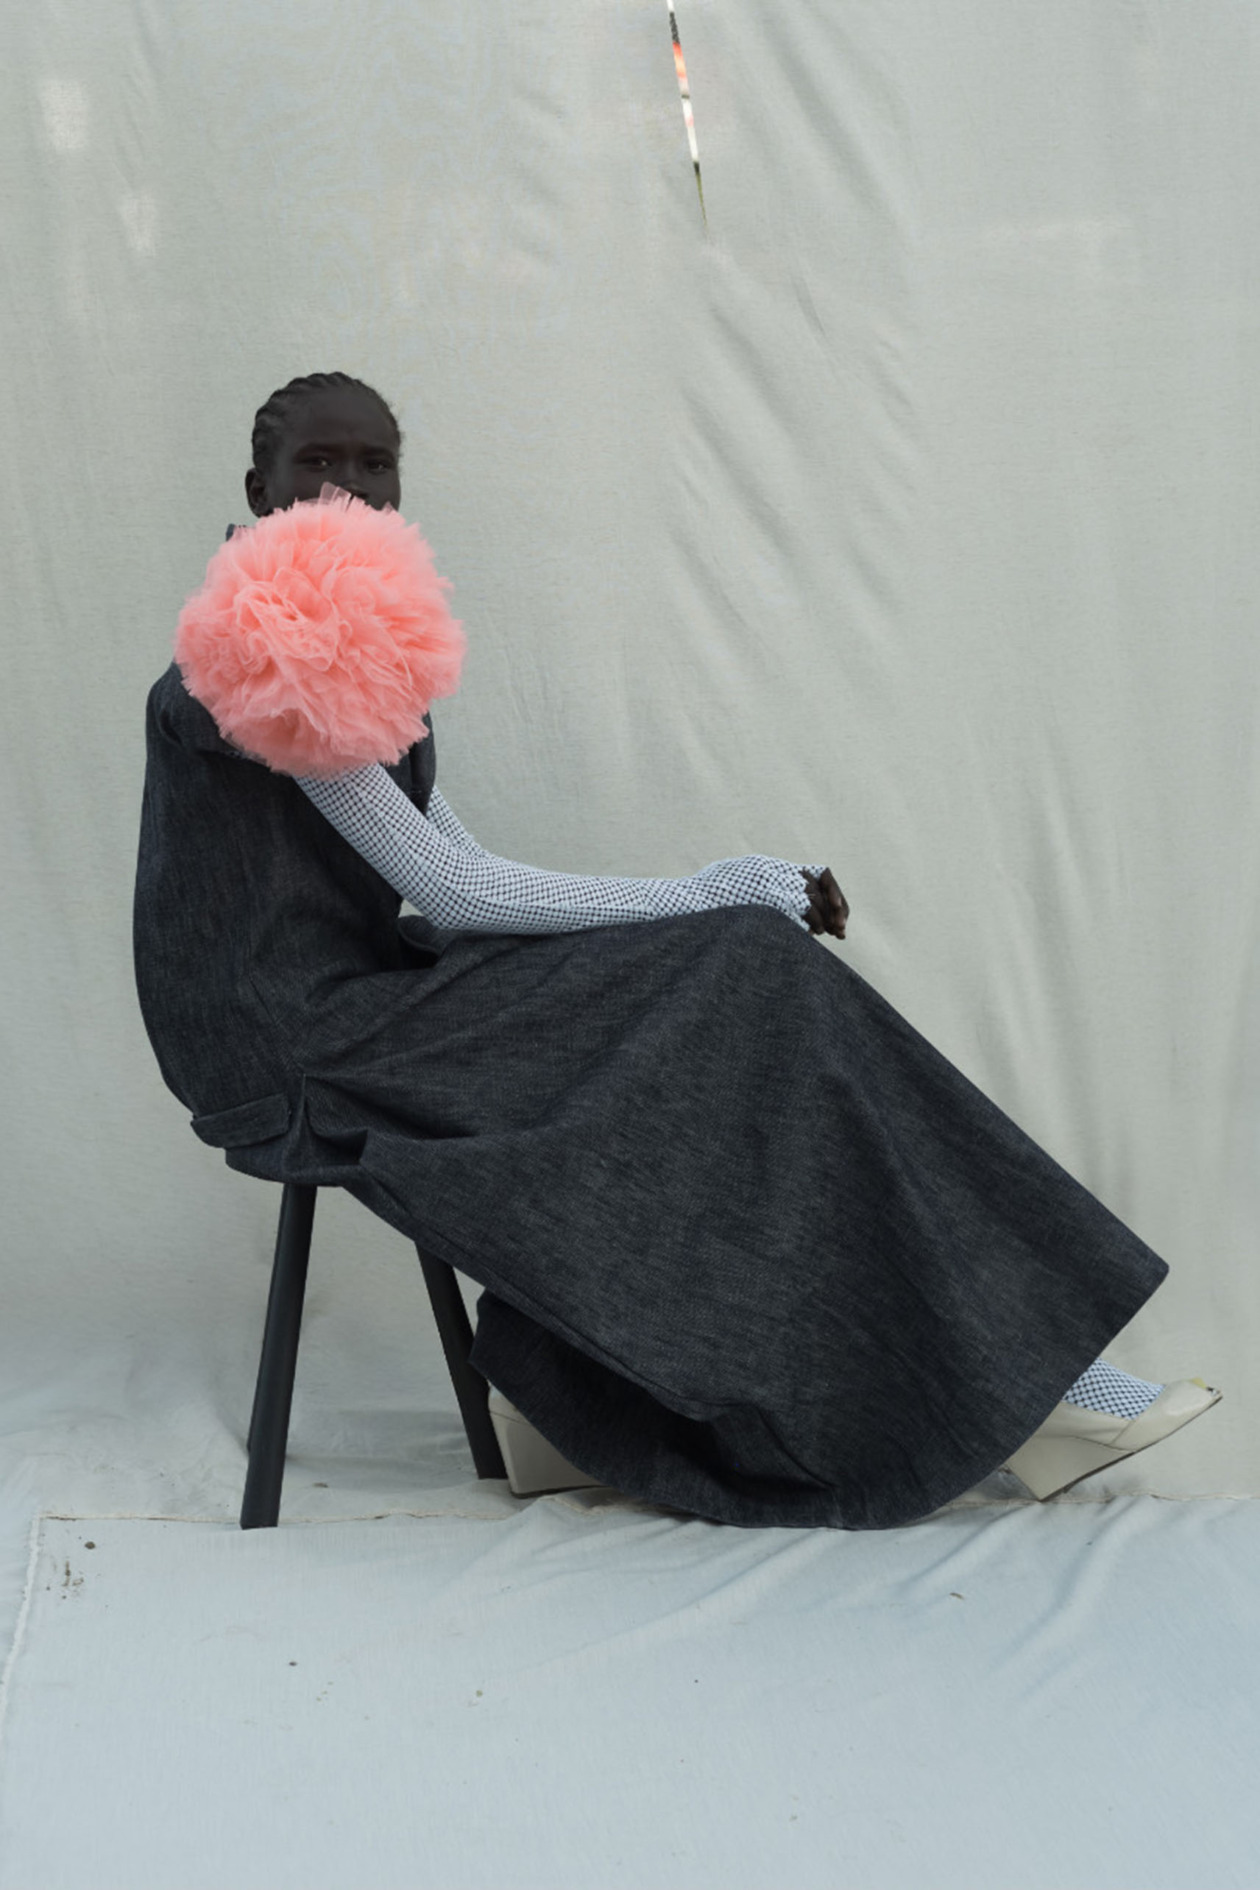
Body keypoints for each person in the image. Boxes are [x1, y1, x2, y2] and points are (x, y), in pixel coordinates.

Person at [132, 370, 1220, 1530]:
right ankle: (1034, 1387)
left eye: (374, 464)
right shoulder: (259, 647)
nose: (348, 490)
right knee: (737, 969)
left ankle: (593, 1394)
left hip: (362, 994)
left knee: (733, 986)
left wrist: (693, 924)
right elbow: (448, 888)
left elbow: (454, 884)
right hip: (283, 1041)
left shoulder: (347, 643)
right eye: (317, 464)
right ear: (258, 488)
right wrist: (704, 894)